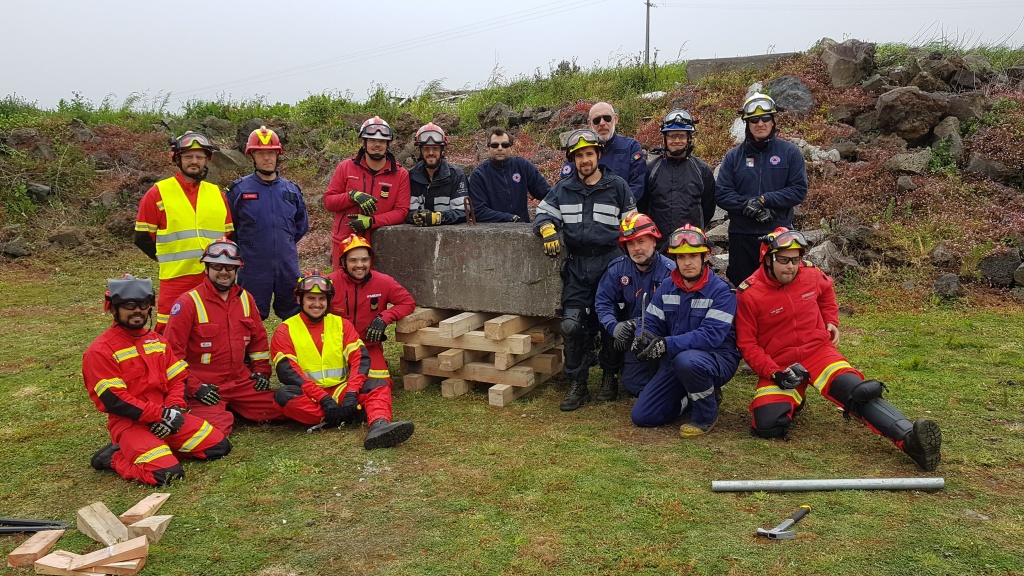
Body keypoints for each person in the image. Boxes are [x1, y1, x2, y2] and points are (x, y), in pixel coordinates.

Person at [735, 227, 942, 470]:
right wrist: (774, 373)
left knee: (858, 392)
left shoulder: (811, 274)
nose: (790, 267)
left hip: (819, 353)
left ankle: (910, 440)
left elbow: (826, 292)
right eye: (783, 260)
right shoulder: (749, 293)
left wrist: (831, 320)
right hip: (780, 365)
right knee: (767, 425)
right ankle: (795, 396)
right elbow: (747, 345)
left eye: (795, 260)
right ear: (768, 259)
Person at [83, 275, 231, 486]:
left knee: (219, 447)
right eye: (129, 305)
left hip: (167, 416)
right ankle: (115, 458)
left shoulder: (158, 342)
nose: (138, 311)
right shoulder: (100, 351)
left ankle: (157, 448)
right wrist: (160, 415)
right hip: (131, 424)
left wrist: (174, 410)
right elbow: (115, 401)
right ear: (114, 309)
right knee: (167, 474)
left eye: (143, 305)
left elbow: (177, 379)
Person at [534, 129, 636, 411]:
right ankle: (577, 384)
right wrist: (546, 228)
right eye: (579, 156)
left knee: (611, 323)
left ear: (598, 155)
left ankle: (609, 377)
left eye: (589, 154)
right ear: (573, 160)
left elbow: (633, 226)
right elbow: (543, 212)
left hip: (611, 263)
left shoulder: (617, 186)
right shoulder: (563, 188)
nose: (584, 160)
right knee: (571, 325)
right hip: (578, 266)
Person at [270, 271, 414, 450]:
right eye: (311, 299)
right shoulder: (285, 330)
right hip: (310, 396)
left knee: (378, 383)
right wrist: (323, 398)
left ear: (329, 301)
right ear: (300, 299)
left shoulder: (342, 324)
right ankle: (347, 415)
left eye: (322, 299)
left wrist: (351, 393)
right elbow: (289, 372)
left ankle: (379, 424)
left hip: (341, 390)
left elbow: (360, 359)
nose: (317, 304)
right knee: (283, 397)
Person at [622, 225, 740, 435]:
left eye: (693, 256)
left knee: (688, 361)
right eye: (681, 257)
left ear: (706, 256)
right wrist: (643, 337)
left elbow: (710, 336)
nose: (687, 263)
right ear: (674, 259)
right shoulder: (667, 286)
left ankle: (706, 415)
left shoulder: (722, 291)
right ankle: (691, 399)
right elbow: (651, 321)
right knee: (643, 416)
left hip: (716, 358)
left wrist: (666, 344)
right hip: (676, 359)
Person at [164, 239, 284, 436]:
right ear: (206, 268)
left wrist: (261, 371)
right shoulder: (188, 303)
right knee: (214, 434)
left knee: (288, 408)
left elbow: (258, 341)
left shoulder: (245, 299)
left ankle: (236, 407)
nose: (223, 272)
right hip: (205, 385)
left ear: (237, 270)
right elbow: (171, 355)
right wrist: (194, 387)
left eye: (229, 267)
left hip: (240, 382)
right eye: (217, 266)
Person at [134, 131, 233, 332]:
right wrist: (166, 259)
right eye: (188, 156)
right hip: (176, 280)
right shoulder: (158, 193)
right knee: (171, 331)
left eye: (199, 156)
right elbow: (142, 238)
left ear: (207, 160)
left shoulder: (217, 194)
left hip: (213, 279)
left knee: (214, 329)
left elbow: (229, 235)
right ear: (177, 159)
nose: (194, 161)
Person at [716, 93, 808, 288]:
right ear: (746, 123)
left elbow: (798, 190)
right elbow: (722, 193)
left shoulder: (790, 152)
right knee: (742, 289)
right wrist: (750, 207)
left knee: (780, 288)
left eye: (765, 118)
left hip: (779, 234)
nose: (760, 123)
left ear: (773, 121)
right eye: (754, 120)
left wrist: (765, 200)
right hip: (741, 237)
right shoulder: (733, 156)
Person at [225, 125, 309, 320]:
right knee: (248, 316)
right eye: (261, 153)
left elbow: (301, 226)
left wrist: (283, 243)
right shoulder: (238, 190)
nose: (267, 158)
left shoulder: (292, 190)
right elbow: (230, 229)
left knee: (295, 316)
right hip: (252, 268)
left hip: (287, 267)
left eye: (271, 153)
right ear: (252, 156)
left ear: (278, 155)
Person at [594, 213, 675, 401]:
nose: (636, 248)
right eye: (630, 243)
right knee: (634, 385)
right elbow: (603, 302)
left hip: (661, 336)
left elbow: (673, 314)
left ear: (654, 241)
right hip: (630, 336)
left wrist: (635, 324)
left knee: (664, 384)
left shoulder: (670, 272)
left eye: (641, 241)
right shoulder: (618, 269)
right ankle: (612, 372)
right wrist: (614, 327)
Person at [327, 234, 416, 392]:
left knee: (379, 386)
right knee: (330, 384)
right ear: (343, 262)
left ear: (370, 261)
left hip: (368, 347)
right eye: (353, 260)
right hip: (335, 347)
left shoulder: (383, 281)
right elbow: (306, 303)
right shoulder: (329, 283)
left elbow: (407, 302)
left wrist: (384, 318)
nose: (359, 265)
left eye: (364, 260)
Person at [323, 116, 410, 265]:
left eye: (382, 141)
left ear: (388, 143)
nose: (377, 145)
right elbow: (328, 202)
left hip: (380, 245)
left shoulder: (401, 174)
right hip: (345, 243)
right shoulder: (346, 167)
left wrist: (371, 221)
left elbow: (401, 212)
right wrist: (351, 196)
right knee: (342, 281)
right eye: (372, 140)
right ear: (363, 142)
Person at [638, 109, 717, 252]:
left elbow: (708, 208)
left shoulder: (702, 170)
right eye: (672, 136)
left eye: (681, 136)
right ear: (664, 138)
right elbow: (643, 206)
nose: (676, 141)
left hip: (691, 247)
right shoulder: (651, 170)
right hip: (659, 247)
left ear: (689, 138)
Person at [559, 102, 645, 202]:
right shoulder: (579, 149)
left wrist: (618, 207)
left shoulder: (631, 147)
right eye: (596, 120)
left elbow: (637, 186)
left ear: (615, 119)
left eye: (607, 118)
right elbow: (565, 185)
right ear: (590, 123)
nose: (602, 123)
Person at [468, 127, 551, 222]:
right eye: (495, 145)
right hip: (491, 229)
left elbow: (547, 193)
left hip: (523, 227)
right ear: (488, 148)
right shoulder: (479, 175)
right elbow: (478, 211)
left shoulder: (523, 166)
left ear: (511, 147)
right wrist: (511, 218)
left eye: (505, 145)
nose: (500, 148)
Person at [407, 122, 468, 226]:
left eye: (435, 148)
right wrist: (414, 216)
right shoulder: (412, 176)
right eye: (426, 148)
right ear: (420, 150)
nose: (431, 153)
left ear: (442, 150)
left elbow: (463, 211)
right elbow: (407, 211)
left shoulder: (457, 176)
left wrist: (438, 217)